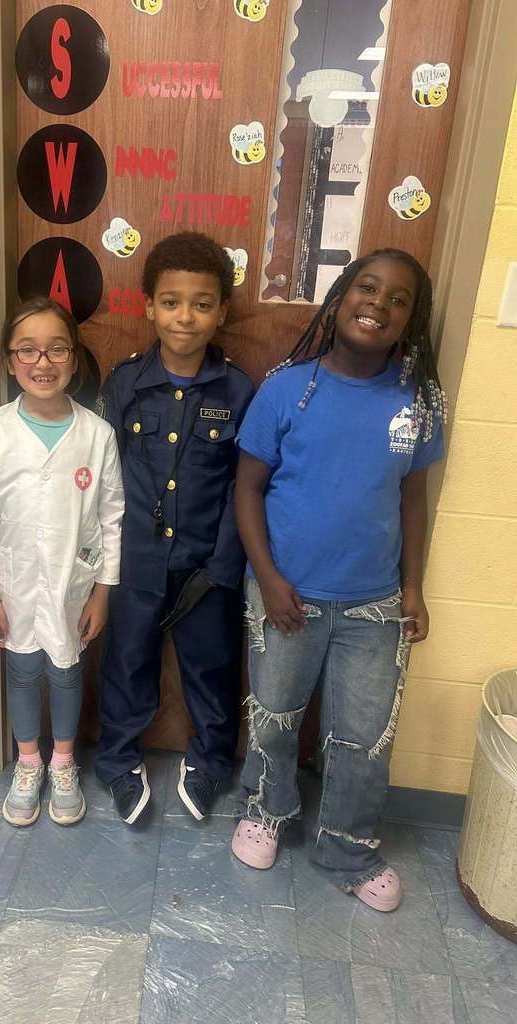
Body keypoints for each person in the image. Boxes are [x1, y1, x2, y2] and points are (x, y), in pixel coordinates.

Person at [231, 248, 447, 911]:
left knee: (364, 735)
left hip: (374, 605)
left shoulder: (417, 403)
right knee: (274, 714)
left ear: (411, 321)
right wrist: (267, 578)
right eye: (368, 287)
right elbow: (246, 491)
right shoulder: (286, 388)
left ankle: (347, 844)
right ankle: (268, 810)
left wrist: (412, 587)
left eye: (399, 299)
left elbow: (413, 500)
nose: (379, 303)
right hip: (285, 593)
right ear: (340, 296)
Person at [95, 232, 255, 824]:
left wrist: (223, 566)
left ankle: (211, 762)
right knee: (126, 662)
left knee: (212, 667)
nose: (184, 316)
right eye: (170, 301)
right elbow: (106, 480)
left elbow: (245, 486)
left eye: (202, 303)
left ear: (222, 313)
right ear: (148, 307)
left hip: (208, 566)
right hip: (135, 560)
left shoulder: (238, 390)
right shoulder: (125, 384)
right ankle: (116, 762)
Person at [0, 298, 124, 827]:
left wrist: (103, 590)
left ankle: (63, 762)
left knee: (66, 667)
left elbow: (111, 517)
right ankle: (28, 762)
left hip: (73, 582)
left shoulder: (96, 434)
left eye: (57, 348)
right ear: (10, 362)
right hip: (11, 580)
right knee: (22, 668)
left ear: (74, 359)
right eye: (27, 350)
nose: (43, 362)